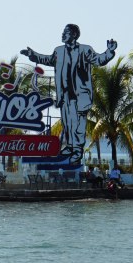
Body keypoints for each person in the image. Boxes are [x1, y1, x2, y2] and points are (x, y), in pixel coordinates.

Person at [21, 24, 117, 165]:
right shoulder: (58, 51)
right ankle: (69, 147)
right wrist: (33, 55)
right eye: (63, 32)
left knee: (78, 125)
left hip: (80, 96)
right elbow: (48, 60)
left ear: (73, 35)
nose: (62, 34)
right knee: (67, 124)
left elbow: (98, 60)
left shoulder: (85, 50)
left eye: (65, 32)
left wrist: (109, 51)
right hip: (64, 95)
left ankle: (77, 150)